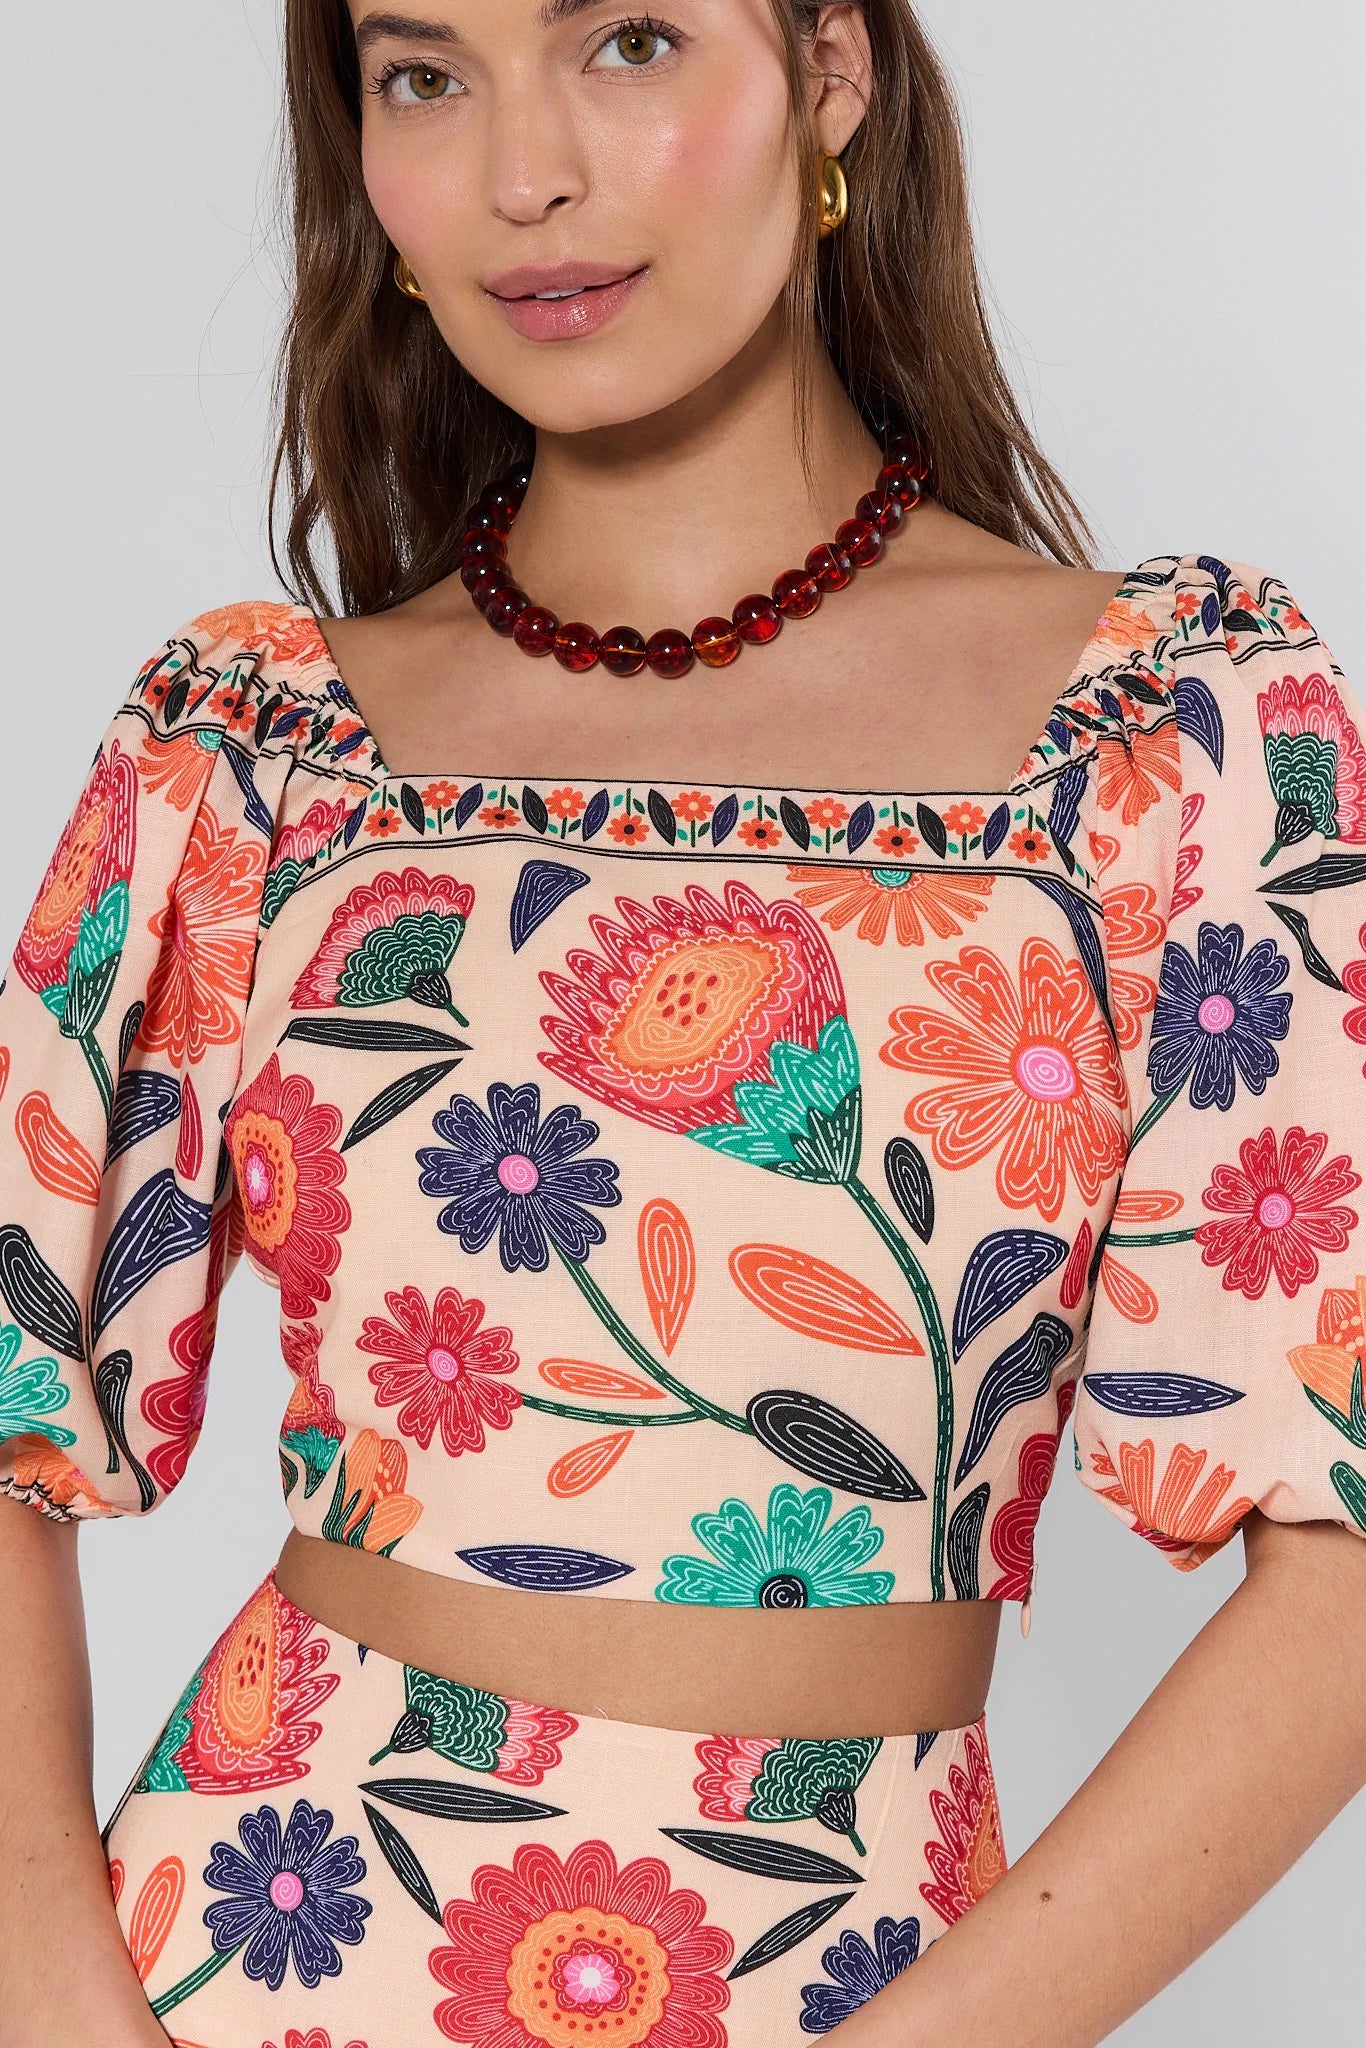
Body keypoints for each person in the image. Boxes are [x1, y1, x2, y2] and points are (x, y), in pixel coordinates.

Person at [3, 1, 1366, 2041]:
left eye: (624, 41)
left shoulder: (1175, 736)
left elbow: (1338, 1544)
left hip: (867, 1983)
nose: (519, 170)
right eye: (421, 73)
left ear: (830, 72)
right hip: (249, 1938)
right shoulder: (251, 749)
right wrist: (53, 1997)